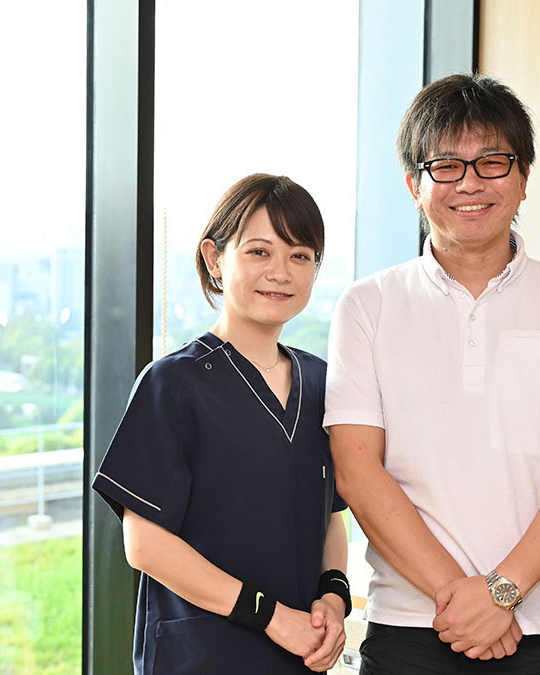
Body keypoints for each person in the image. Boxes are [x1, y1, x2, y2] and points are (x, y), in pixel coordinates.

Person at [325, 74, 540, 674]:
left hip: (539, 628)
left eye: (492, 162)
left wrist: (502, 592)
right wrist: (460, 600)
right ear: (415, 185)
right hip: (409, 624)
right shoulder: (367, 305)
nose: (470, 183)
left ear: (524, 178)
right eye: (446, 165)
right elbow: (359, 471)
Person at [91, 174, 350, 674]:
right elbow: (144, 544)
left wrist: (333, 599)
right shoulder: (173, 384)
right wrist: (272, 618)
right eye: (259, 252)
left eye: (300, 256)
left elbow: (330, 516)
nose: (280, 272)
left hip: (301, 654)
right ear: (215, 258)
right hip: (201, 657)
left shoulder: (321, 383)